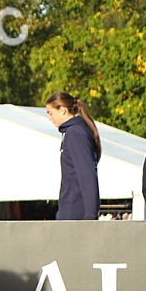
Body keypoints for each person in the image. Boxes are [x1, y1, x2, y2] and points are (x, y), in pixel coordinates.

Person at [44, 91, 101, 220]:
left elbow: (87, 175)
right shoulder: (73, 132)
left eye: (50, 113)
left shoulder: (75, 134)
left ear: (63, 110)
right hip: (70, 211)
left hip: (75, 214)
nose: (49, 117)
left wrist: (90, 217)